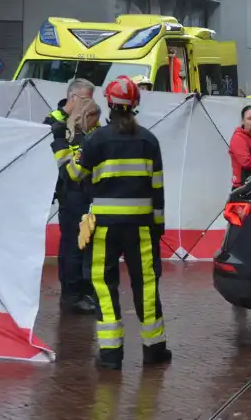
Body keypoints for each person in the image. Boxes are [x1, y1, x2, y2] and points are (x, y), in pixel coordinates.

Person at [66, 76, 171, 370]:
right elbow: (158, 188)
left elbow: (75, 175)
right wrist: (158, 227)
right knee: (146, 285)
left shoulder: (95, 139)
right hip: (141, 227)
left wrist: (74, 146)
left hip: (105, 227)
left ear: (109, 104)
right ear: (135, 104)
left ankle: (111, 354)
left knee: (103, 284)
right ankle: (154, 349)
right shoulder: (149, 140)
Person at [44, 78, 96, 314]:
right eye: (86, 98)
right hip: (70, 191)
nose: (89, 103)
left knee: (82, 244)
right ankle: (72, 294)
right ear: (73, 98)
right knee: (73, 245)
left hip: (87, 190)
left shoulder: (88, 122)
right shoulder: (53, 120)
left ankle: (80, 290)